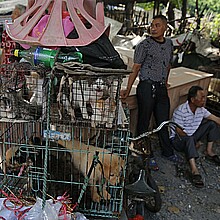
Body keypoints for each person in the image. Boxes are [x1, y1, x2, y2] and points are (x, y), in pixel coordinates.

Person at [120, 14, 183, 170]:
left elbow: (168, 65)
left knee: (163, 120)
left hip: (161, 87)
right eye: (152, 25)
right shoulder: (144, 45)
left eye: (157, 25)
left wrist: (165, 80)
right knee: (144, 120)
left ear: (165, 27)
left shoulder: (169, 44)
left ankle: (167, 151)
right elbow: (135, 68)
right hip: (147, 87)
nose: (153, 28)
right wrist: (127, 90)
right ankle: (146, 154)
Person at [170, 86, 220, 188]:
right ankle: (194, 170)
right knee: (189, 138)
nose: (204, 100)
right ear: (193, 100)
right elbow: (179, 132)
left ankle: (209, 151)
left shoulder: (201, 110)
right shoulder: (181, 110)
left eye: (204, 97)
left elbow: (216, 119)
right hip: (178, 140)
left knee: (212, 124)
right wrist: (193, 142)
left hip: (191, 136)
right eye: (201, 97)